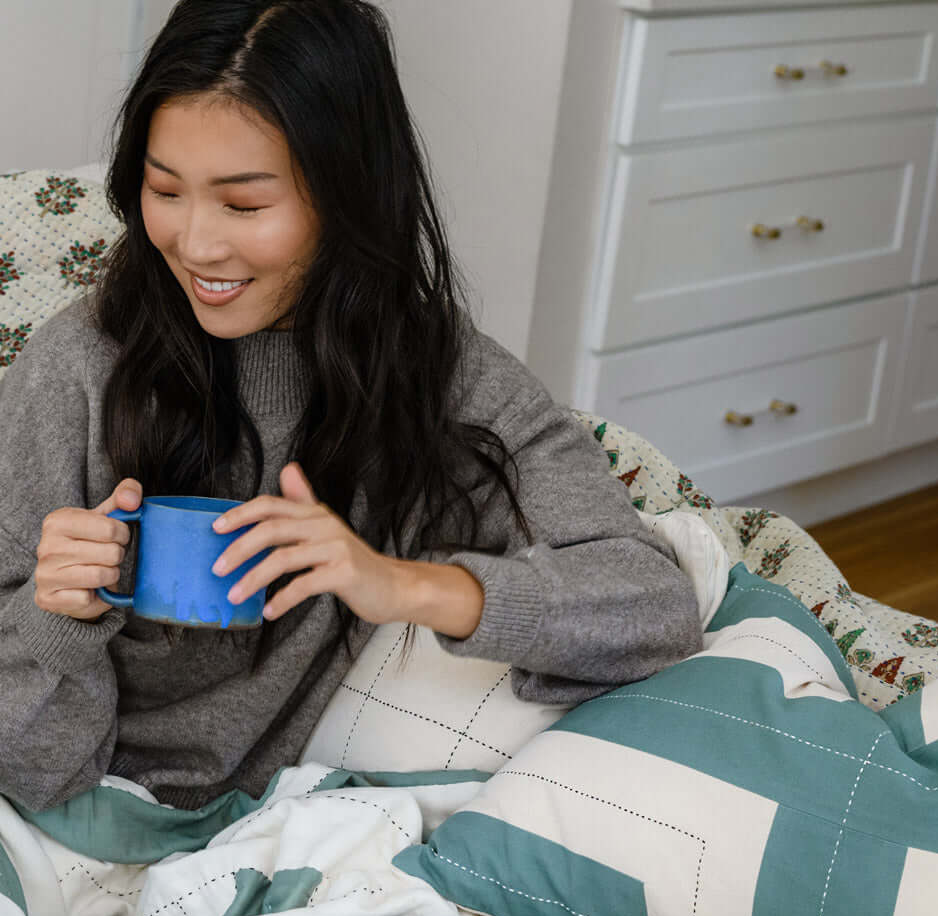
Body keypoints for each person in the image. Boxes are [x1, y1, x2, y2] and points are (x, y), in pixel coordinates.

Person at [0, 0, 701, 814]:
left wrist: (399, 585)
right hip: (79, 816)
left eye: (245, 205)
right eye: (166, 190)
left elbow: (654, 608)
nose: (195, 244)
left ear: (348, 194)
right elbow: (30, 772)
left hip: (314, 815)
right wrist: (56, 619)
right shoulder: (77, 370)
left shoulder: (436, 372)